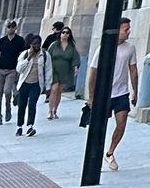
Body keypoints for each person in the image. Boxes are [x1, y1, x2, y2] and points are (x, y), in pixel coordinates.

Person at [87, 18, 141, 167]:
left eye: (129, 29)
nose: (129, 32)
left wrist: (135, 91)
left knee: (121, 123)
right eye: (126, 29)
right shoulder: (104, 48)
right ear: (118, 31)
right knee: (100, 126)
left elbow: (133, 70)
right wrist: (91, 96)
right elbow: (93, 72)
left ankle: (110, 152)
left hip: (121, 92)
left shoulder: (130, 48)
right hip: (104, 93)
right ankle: (95, 154)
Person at [13, 34, 49, 136]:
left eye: (38, 43)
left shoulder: (44, 55)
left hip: (36, 83)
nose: (36, 46)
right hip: (24, 83)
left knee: (32, 104)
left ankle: (30, 126)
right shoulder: (24, 54)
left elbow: (48, 70)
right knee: (22, 105)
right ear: (30, 44)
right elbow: (19, 69)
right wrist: (28, 58)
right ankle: (19, 126)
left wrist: (48, 86)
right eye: (34, 44)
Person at [0, 22, 25, 126]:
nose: (10, 29)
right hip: (0, 69)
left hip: (12, 70)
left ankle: (8, 109)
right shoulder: (2, 40)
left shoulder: (19, 40)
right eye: (9, 27)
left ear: (15, 28)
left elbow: (22, 56)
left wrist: (20, 70)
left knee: (7, 91)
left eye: (12, 27)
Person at [44, 23, 79, 118]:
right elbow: (48, 56)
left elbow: (75, 58)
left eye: (67, 33)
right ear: (60, 34)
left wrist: (75, 67)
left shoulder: (71, 47)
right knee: (54, 89)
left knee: (59, 91)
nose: (65, 34)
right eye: (63, 32)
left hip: (65, 70)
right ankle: (50, 111)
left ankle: (55, 110)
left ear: (69, 35)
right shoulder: (54, 45)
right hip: (54, 69)